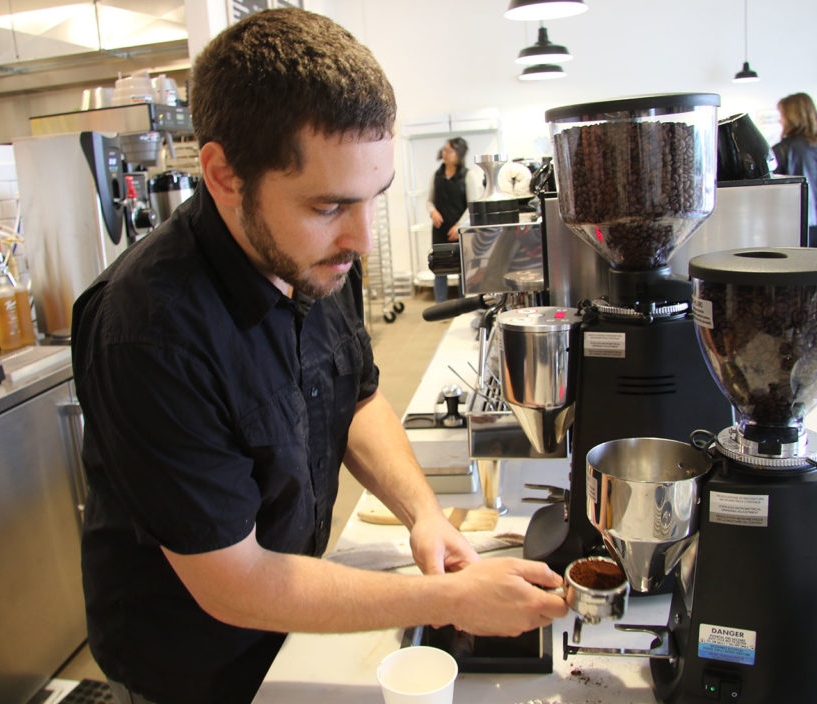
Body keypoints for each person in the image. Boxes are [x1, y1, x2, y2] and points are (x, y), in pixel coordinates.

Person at [70, 9, 567, 704]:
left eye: (373, 198)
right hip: (193, 662)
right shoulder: (147, 332)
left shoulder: (319, 257)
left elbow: (356, 396)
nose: (360, 237)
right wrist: (445, 599)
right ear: (222, 174)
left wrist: (422, 512)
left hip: (297, 611)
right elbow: (235, 582)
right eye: (329, 205)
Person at [771, 92, 817, 250]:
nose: (780, 120)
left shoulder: (783, 149)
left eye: (782, 115)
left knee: (799, 272)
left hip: (800, 223)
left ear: (792, 118)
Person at [426, 137, 482, 302]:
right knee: (439, 269)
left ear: (459, 154)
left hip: (460, 231)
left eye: (450, 151)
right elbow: (429, 200)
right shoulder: (436, 175)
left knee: (462, 271)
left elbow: (472, 206)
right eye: (444, 150)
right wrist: (433, 212)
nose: (446, 154)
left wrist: (460, 226)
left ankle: (462, 305)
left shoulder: (468, 175)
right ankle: (440, 306)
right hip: (439, 228)